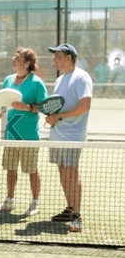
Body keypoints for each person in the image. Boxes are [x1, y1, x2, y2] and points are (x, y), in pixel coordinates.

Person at [0, 47, 48, 216]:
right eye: (14, 56)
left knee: (31, 170)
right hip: (10, 135)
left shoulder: (36, 82)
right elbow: (5, 103)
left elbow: (45, 107)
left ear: (27, 63)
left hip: (29, 137)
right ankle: (9, 200)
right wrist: (0, 112)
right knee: (10, 169)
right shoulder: (8, 80)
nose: (14, 59)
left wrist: (27, 107)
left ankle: (35, 202)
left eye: (18, 57)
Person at [46, 43, 93, 233]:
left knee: (71, 173)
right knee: (63, 171)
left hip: (72, 136)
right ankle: (70, 208)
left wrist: (59, 116)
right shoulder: (60, 80)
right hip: (57, 134)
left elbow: (85, 105)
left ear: (68, 57)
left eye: (57, 56)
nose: (53, 60)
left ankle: (77, 216)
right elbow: (58, 107)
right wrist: (51, 116)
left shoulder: (81, 77)